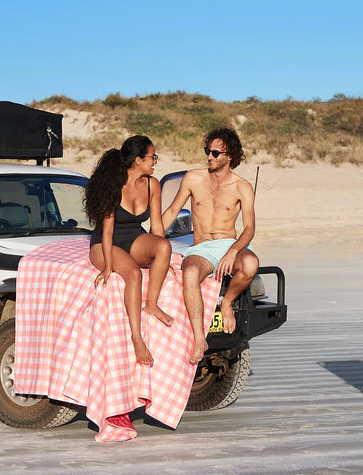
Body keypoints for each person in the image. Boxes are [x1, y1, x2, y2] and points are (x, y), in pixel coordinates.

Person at [162, 127, 258, 364]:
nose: (210, 157)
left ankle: (226, 303)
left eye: (216, 153)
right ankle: (199, 338)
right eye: (208, 151)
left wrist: (233, 251)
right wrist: (154, 237)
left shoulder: (241, 186)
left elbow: (249, 228)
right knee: (190, 271)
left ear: (230, 156)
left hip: (229, 243)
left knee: (250, 263)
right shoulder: (194, 178)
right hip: (202, 247)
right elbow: (173, 210)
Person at [84, 135, 173, 366]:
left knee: (164, 246)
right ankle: (137, 338)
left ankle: (151, 304)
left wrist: (164, 259)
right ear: (137, 160)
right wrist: (109, 268)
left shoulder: (153, 185)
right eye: (152, 157)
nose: (155, 161)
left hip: (134, 238)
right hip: (105, 243)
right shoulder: (114, 184)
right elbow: (107, 231)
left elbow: (156, 225)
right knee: (133, 274)